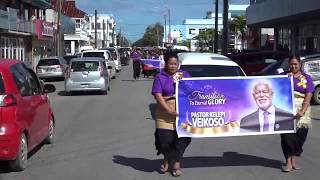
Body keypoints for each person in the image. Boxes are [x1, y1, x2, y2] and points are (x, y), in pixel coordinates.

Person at [152, 53, 191, 177]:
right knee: (164, 140)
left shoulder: (184, 74)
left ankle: (176, 163)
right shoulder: (159, 77)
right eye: (170, 64)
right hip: (165, 113)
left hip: (183, 113)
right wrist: (168, 110)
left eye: (175, 64)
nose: (173, 66)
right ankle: (166, 157)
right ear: (166, 64)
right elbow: (157, 94)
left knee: (182, 139)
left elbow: (193, 89)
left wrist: (183, 82)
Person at [280, 55, 314, 172]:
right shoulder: (284, 76)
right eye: (291, 64)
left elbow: (309, 93)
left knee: (301, 136)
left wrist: (303, 110)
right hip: (286, 108)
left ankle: (294, 157)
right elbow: (275, 88)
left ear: (300, 64)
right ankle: (288, 161)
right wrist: (285, 80)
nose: (293, 66)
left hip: (302, 108)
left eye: (295, 64)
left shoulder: (307, 77)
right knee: (287, 136)